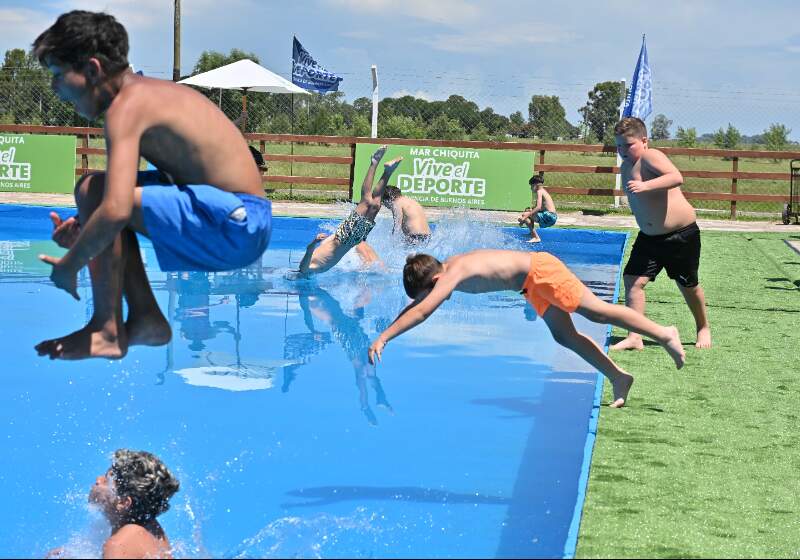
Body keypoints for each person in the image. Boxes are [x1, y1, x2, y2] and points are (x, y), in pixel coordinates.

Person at [32, 11, 272, 361]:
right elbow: (111, 201)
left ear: (93, 70)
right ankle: (145, 320)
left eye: (57, 75)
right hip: (229, 218)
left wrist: (70, 264)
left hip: (238, 223)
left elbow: (116, 209)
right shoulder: (142, 96)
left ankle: (107, 329)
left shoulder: (127, 107)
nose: (54, 88)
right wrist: (87, 228)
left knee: (103, 201)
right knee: (91, 190)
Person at [368, 250, 686, 408]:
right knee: (564, 335)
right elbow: (419, 305)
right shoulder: (445, 269)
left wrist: (385, 336)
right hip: (529, 285)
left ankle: (664, 333)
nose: (435, 298)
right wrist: (386, 333)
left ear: (434, 282)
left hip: (541, 272)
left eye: (430, 292)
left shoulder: (453, 273)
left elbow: (423, 311)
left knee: (598, 313)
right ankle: (619, 377)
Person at [609, 117, 712, 350]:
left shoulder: (650, 156)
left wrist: (646, 186)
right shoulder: (626, 166)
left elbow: (676, 177)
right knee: (633, 281)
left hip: (680, 235)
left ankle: (702, 327)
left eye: (629, 145)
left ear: (644, 141)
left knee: (687, 284)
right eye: (619, 146)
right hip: (649, 238)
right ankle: (634, 337)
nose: (624, 150)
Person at [48, 449, 180, 559]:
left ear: (123, 502)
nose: (98, 479)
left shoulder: (118, 545)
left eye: (108, 479)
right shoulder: (151, 528)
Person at [298, 145, 401, 276]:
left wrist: (314, 242)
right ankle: (388, 171)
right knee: (375, 206)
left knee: (367, 201)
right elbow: (328, 242)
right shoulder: (317, 270)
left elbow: (307, 255)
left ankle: (374, 162)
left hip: (344, 237)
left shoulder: (306, 270)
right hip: (352, 239)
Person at [517, 175, 557, 243]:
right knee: (528, 211)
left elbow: (538, 207)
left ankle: (536, 237)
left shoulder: (539, 191)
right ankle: (532, 234)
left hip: (549, 217)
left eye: (531, 186)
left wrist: (524, 218)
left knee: (525, 215)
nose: (531, 188)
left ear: (536, 185)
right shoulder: (543, 191)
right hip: (551, 216)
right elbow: (539, 208)